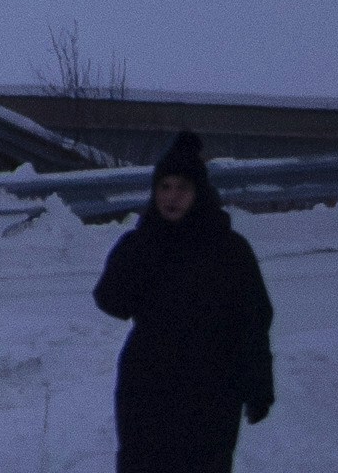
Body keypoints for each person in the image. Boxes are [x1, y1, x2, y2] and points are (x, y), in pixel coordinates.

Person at [92, 130, 277, 473]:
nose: (171, 197)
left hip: (211, 392)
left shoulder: (229, 250)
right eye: (164, 187)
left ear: (199, 193)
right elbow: (110, 301)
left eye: (182, 188)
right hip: (147, 386)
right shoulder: (141, 243)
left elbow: (253, 321)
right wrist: (139, 251)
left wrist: (258, 385)